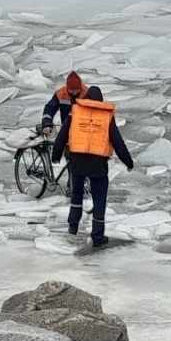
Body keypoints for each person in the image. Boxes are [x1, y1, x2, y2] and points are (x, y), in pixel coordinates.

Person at [52, 85, 134, 247]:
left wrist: (56, 155)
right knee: (99, 199)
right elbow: (118, 142)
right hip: (98, 163)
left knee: (76, 195)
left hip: (77, 160)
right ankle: (97, 236)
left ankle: (73, 227)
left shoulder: (75, 112)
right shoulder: (106, 116)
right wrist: (128, 162)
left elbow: (62, 135)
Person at [41, 71, 86, 135]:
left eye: (77, 90)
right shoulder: (60, 94)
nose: (74, 93)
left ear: (80, 88)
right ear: (67, 88)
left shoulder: (87, 93)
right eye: (72, 90)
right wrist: (46, 123)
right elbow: (50, 108)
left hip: (83, 128)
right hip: (66, 127)